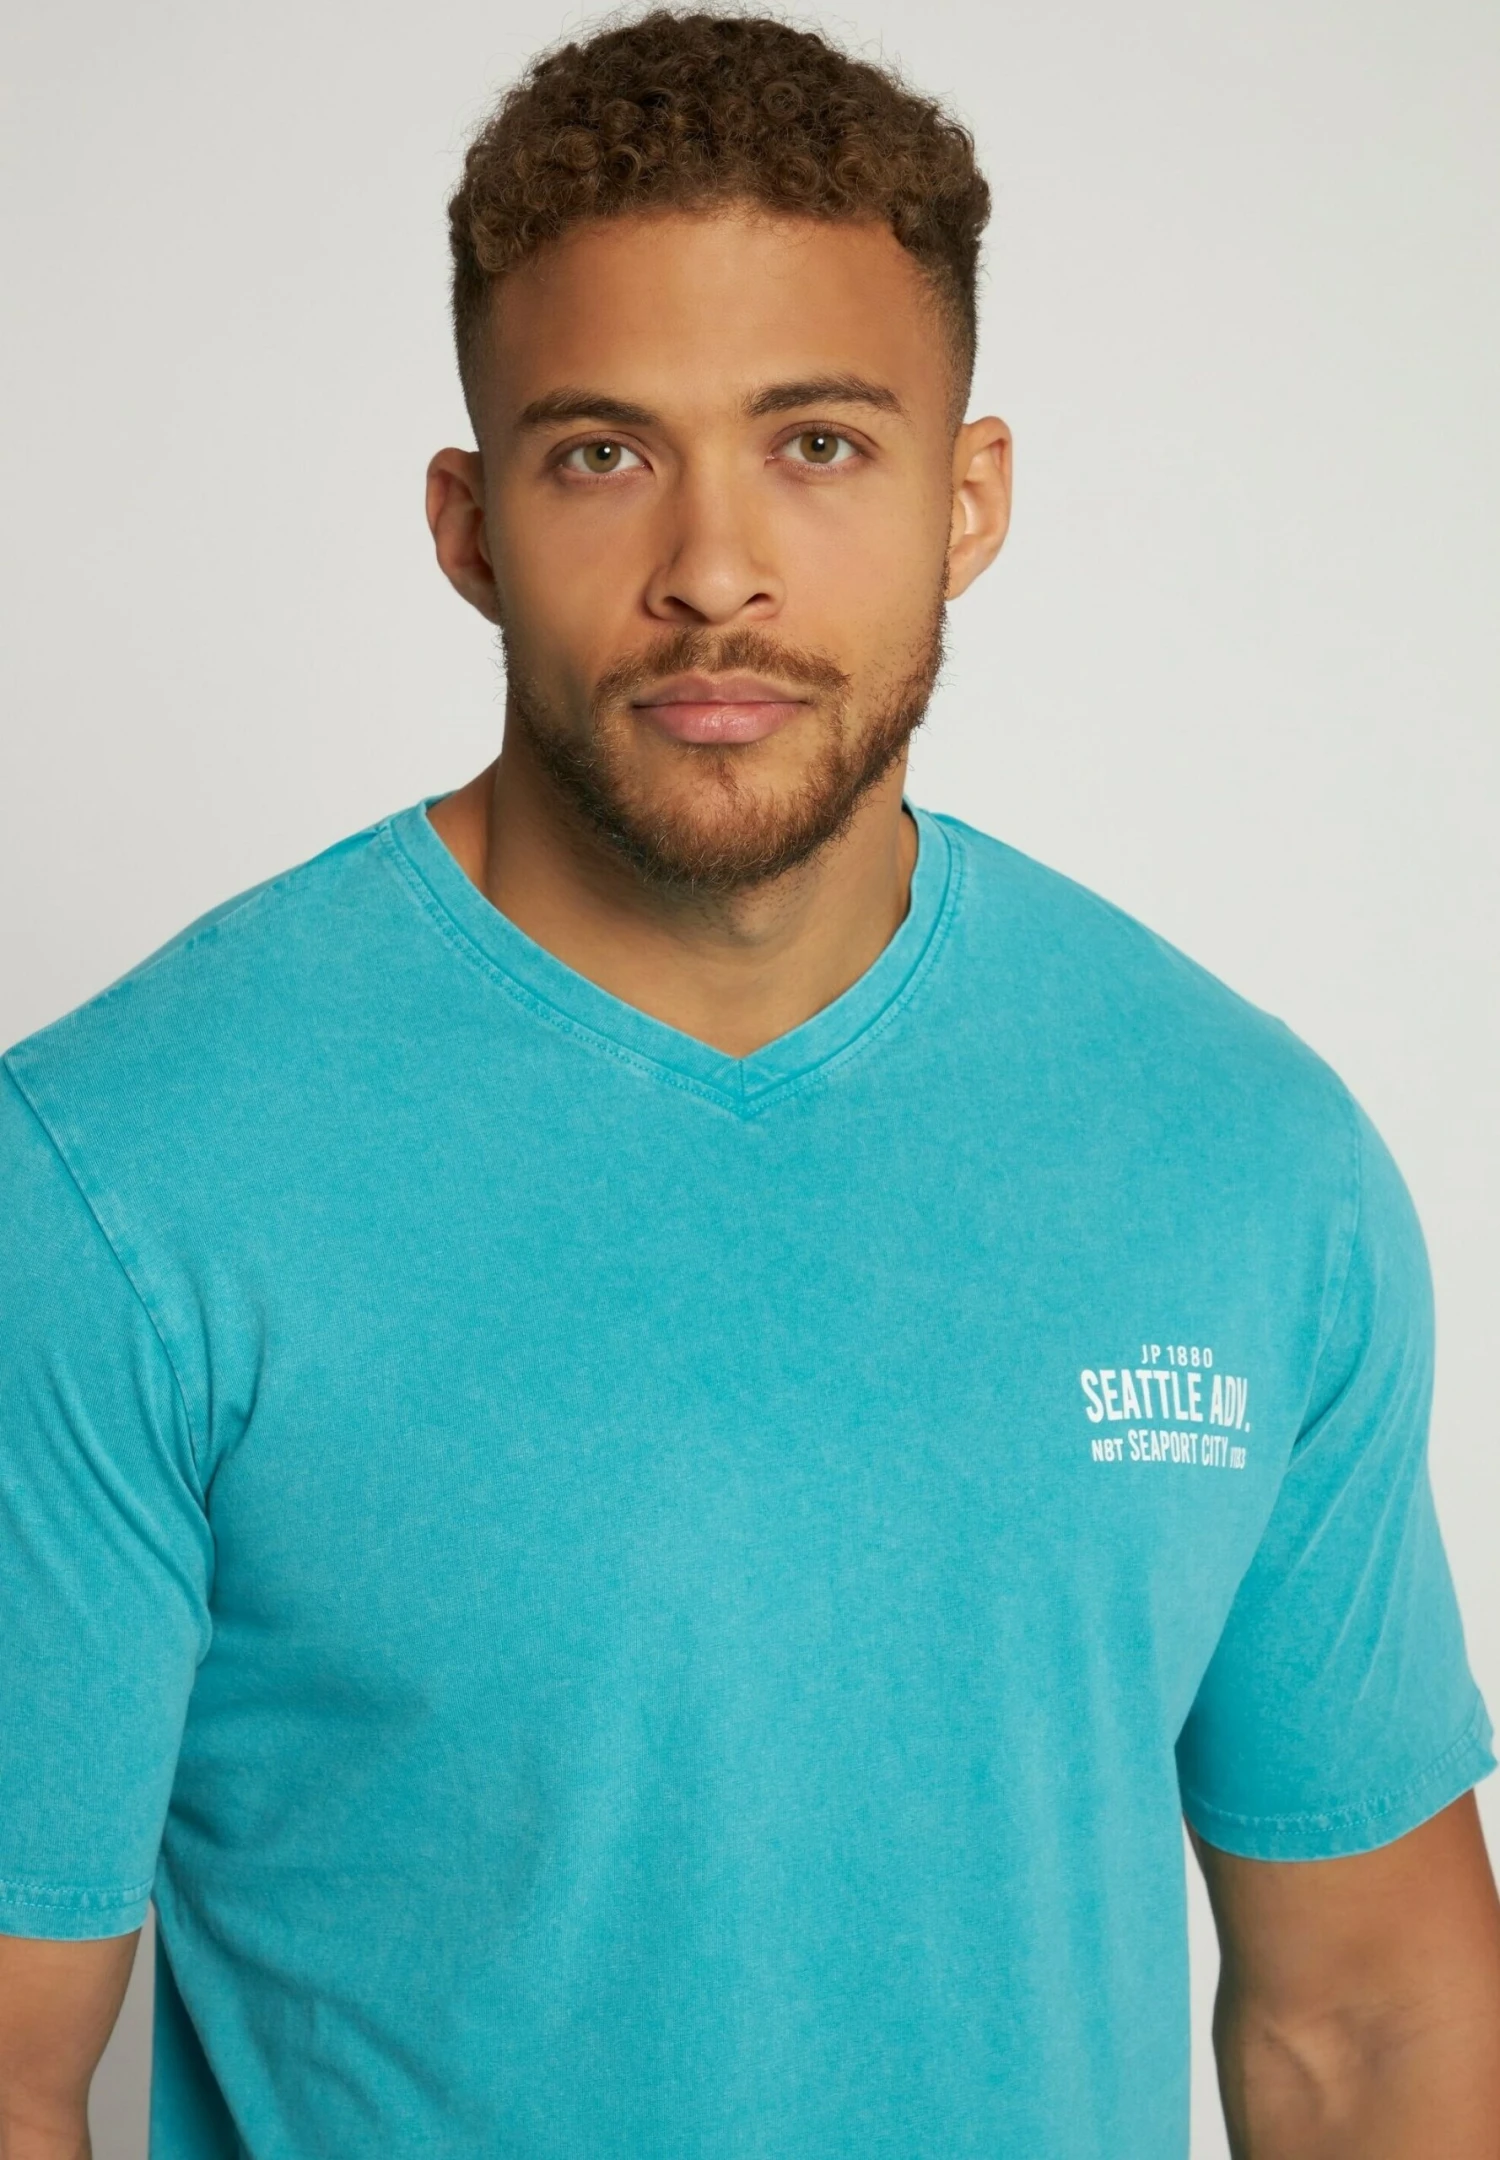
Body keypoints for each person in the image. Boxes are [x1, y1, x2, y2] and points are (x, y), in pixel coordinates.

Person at [1, 11, 1497, 2156]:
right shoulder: (114, 1179)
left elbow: (1367, 2029)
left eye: (818, 442)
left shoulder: (1249, 1164)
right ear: (468, 524)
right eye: (602, 453)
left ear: (970, 500)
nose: (715, 567)